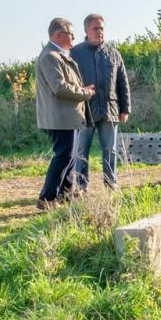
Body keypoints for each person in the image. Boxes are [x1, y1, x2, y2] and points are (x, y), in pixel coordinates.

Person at [34, 17, 95, 209]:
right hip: (59, 118)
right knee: (63, 156)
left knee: (70, 157)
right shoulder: (50, 56)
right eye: (72, 34)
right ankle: (47, 198)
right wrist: (84, 93)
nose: (74, 38)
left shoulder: (58, 55)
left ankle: (65, 195)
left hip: (68, 117)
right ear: (60, 35)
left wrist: (82, 90)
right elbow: (59, 87)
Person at [70, 13, 131, 190]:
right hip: (83, 110)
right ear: (86, 30)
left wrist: (125, 109)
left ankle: (111, 184)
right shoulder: (74, 54)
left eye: (102, 28)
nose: (99, 32)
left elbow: (122, 83)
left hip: (109, 109)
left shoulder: (113, 54)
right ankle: (81, 187)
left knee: (110, 150)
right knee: (81, 151)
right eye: (95, 28)